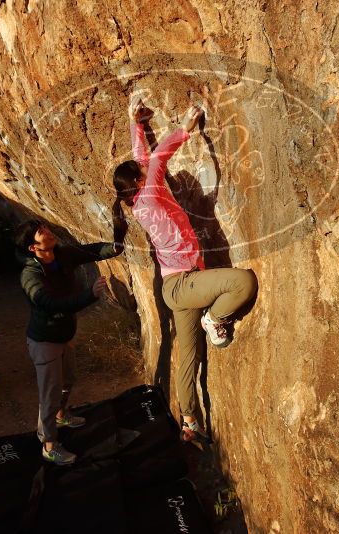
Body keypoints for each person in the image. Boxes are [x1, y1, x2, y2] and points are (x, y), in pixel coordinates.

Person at [111, 99, 258, 442]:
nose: (144, 167)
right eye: (139, 169)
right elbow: (158, 157)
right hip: (184, 284)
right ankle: (216, 318)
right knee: (242, 282)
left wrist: (136, 124)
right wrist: (186, 128)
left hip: (175, 287)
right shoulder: (150, 192)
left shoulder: (139, 201)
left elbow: (145, 159)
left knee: (189, 356)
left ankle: (189, 420)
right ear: (138, 179)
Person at [14, 220, 122, 465]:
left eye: (46, 228)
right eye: (42, 232)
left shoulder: (62, 255)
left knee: (68, 380)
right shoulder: (30, 275)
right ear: (33, 247)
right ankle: (49, 445)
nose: (49, 231)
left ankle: (61, 416)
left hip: (64, 335)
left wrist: (113, 247)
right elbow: (50, 305)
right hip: (45, 341)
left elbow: (91, 251)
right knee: (50, 394)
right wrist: (89, 295)